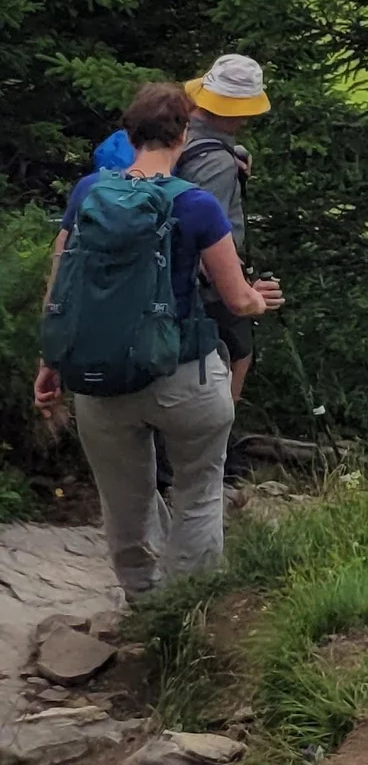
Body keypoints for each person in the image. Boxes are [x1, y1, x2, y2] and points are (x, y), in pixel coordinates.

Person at [34, 81, 286, 599]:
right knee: (199, 491)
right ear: (183, 134)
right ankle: (186, 609)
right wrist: (260, 301)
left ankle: (142, 602)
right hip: (184, 375)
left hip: (101, 378)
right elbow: (237, 300)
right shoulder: (196, 205)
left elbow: (60, 282)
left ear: (130, 134)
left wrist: (50, 359)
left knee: (124, 500)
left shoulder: (88, 193)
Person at [178, 54, 272, 424]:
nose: (245, 120)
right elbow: (208, 233)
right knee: (239, 351)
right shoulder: (216, 162)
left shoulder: (177, 131)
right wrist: (238, 290)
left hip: (163, 275)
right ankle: (218, 439)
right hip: (204, 284)